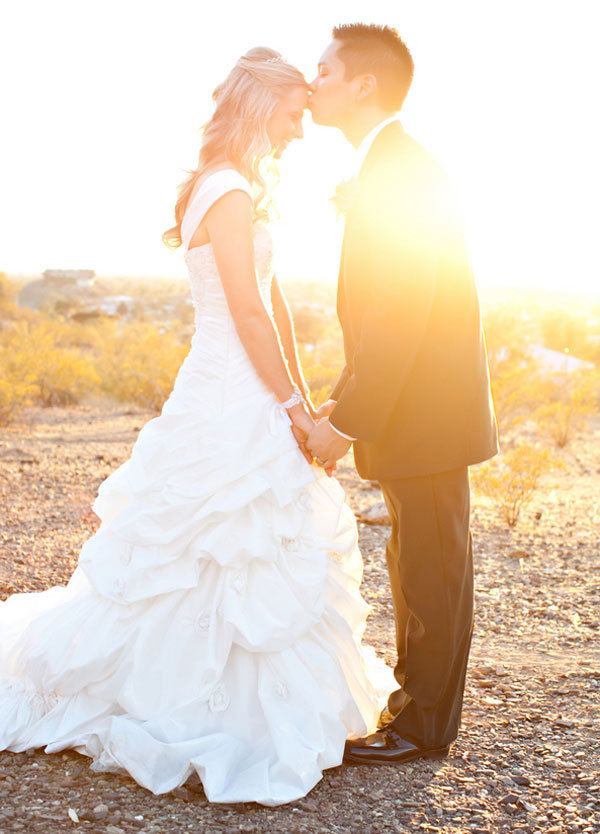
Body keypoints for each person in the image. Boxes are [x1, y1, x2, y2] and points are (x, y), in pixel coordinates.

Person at [0, 47, 393, 806]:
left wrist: (305, 404)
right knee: (205, 546)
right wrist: (288, 409)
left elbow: (273, 306)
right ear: (259, 105)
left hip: (247, 384)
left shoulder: (241, 188)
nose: (300, 131)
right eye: (292, 115)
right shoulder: (228, 189)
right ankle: (175, 701)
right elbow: (245, 311)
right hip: (226, 393)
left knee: (243, 547)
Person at [306, 24, 499, 764]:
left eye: (324, 69)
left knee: (432, 571)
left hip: (429, 416)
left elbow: (400, 313)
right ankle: (415, 707)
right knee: (416, 566)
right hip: (414, 413)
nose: (312, 79)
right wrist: (344, 397)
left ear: (364, 85)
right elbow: (378, 315)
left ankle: (423, 730)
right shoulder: (386, 165)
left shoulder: (404, 172)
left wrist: (348, 420)